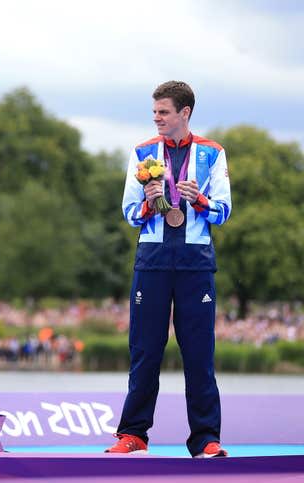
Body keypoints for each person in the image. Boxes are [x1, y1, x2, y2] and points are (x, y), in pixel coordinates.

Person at [108, 81, 232, 457]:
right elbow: (129, 213)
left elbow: (224, 211)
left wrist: (200, 200)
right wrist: (148, 204)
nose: (156, 118)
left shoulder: (212, 153)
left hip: (196, 264)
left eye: (163, 112)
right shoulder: (143, 152)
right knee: (145, 351)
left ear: (184, 113)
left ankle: (206, 439)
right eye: (155, 112)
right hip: (153, 261)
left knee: (199, 353)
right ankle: (133, 434)